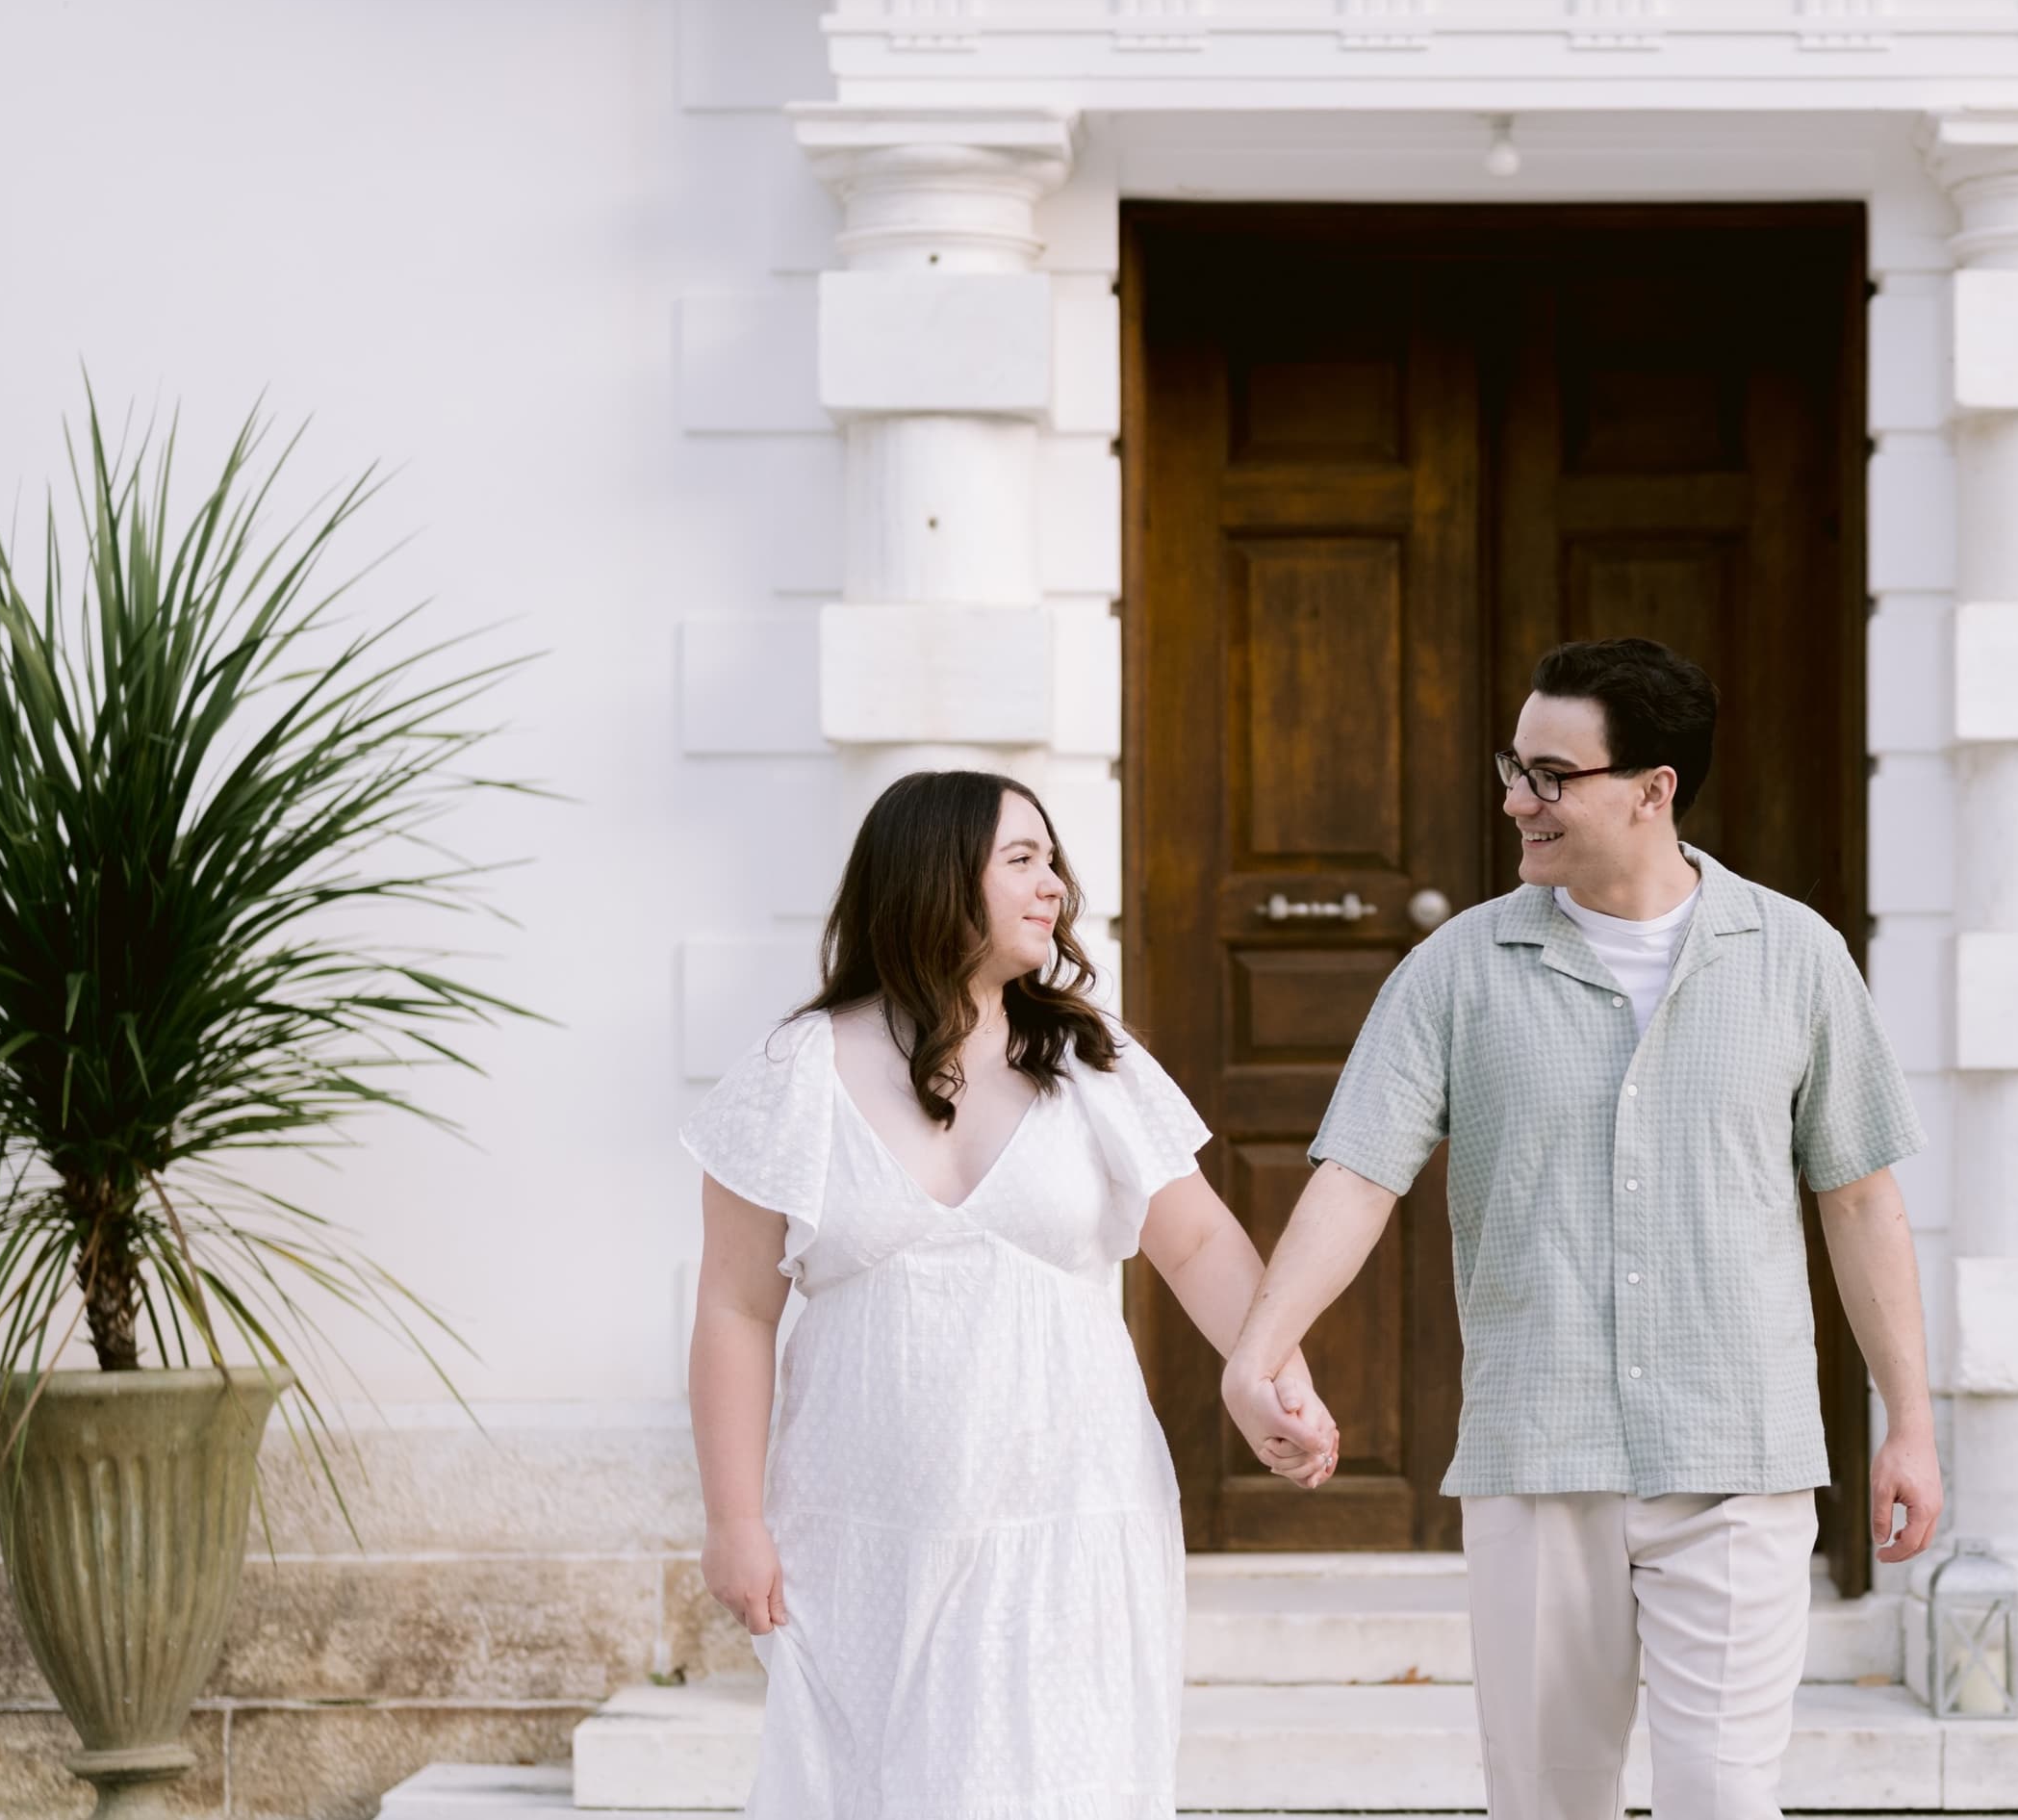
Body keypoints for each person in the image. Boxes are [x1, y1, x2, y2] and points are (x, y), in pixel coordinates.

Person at [1222, 638, 1942, 1820]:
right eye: (1515, 767)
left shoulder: (1796, 958)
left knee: (1726, 1801)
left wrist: (1909, 1425)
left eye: (1551, 775)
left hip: (1738, 1453)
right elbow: (1357, 1176)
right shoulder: (1456, 970)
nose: (1517, 799)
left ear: (1654, 790)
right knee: (1548, 1805)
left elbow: (1860, 1199)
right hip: (1538, 1454)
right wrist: (1256, 1355)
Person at [679, 769, 1341, 1820]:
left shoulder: (1092, 1063)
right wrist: (733, 1520)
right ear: (935, 878)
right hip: (863, 1527)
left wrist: (1276, 1378)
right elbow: (734, 1309)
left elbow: (1199, 1243)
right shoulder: (794, 1074)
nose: (1054, 888)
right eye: (1021, 861)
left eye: (1052, 861)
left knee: (1060, 1786)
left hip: (1070, 1512)